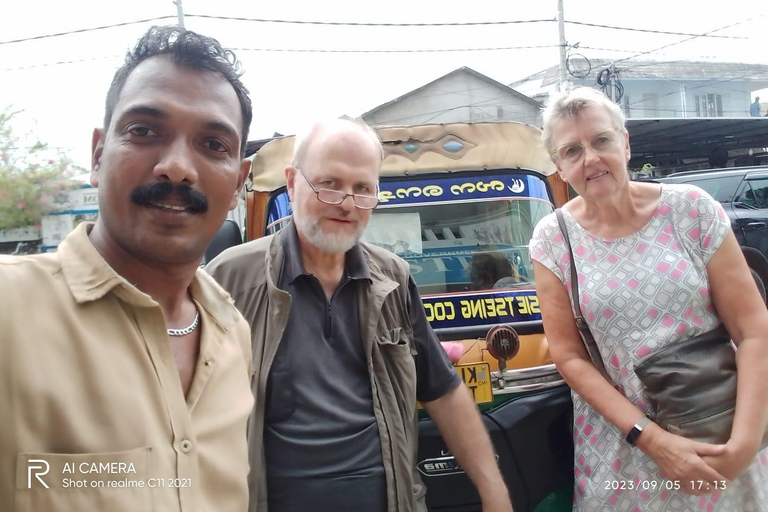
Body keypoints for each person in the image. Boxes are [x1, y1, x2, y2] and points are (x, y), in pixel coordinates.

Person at [0, 26, 254, 511]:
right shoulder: (10, 309)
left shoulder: (233, 334)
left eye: (214, 144)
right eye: (144, 131)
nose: (177, 167)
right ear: (98, 155)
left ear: (240, 182)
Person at [205, 118, 514, 512]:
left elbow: (443, 391)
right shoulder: (229, 279)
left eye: (362, 188)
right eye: (329, 183)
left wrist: (495, 494)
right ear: (293, 181)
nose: (347, 202)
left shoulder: (394, 279)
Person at [530, 86, 768, 510]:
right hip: (622, 446)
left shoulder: (691, 211)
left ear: (625, 141)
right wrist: (651, 439)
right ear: (559, 167)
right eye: (572, 151)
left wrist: (745, 443)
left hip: (714, 423)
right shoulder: (553, 240)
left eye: (601, 140)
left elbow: (753, 329)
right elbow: (569, 357)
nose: (591, 159)